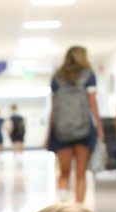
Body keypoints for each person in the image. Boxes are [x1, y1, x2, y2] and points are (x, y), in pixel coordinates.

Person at [46, 46, 104, 203]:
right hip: (84, 130)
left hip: (61, 130)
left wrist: (50, 131)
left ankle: (63, 206)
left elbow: (54, 107)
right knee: (80, 174)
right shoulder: (88, 76)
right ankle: (78, 210)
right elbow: (92, 102)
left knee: (64, 173)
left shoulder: (57, 77)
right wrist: (99, 126)